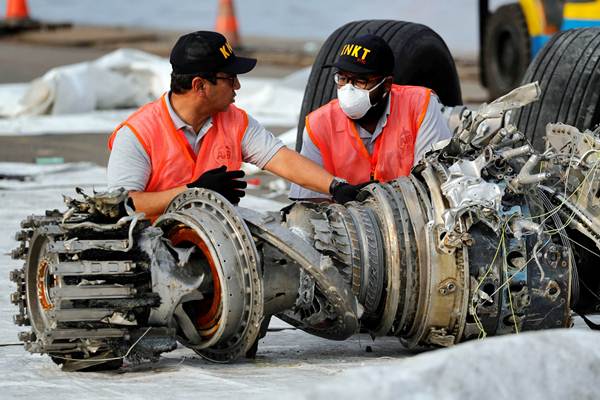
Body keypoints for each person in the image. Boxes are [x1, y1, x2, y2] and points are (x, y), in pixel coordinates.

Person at [107, 31, 369, 220]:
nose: (238, 87)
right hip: (156, 250)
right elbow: (123, 204)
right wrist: (193, 192)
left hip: (216, 240)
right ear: (200, 86)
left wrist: (336, 187)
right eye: (230, 79)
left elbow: (282, 159)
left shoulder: (234, 119)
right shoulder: (137, 134)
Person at [289, 34, 452, 200]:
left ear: (386, 85)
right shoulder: (319, 124)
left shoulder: (419, 105)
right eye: (343, 78)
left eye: (360, 81)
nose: (348, 89)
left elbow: (436, 180)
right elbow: (307, 200)